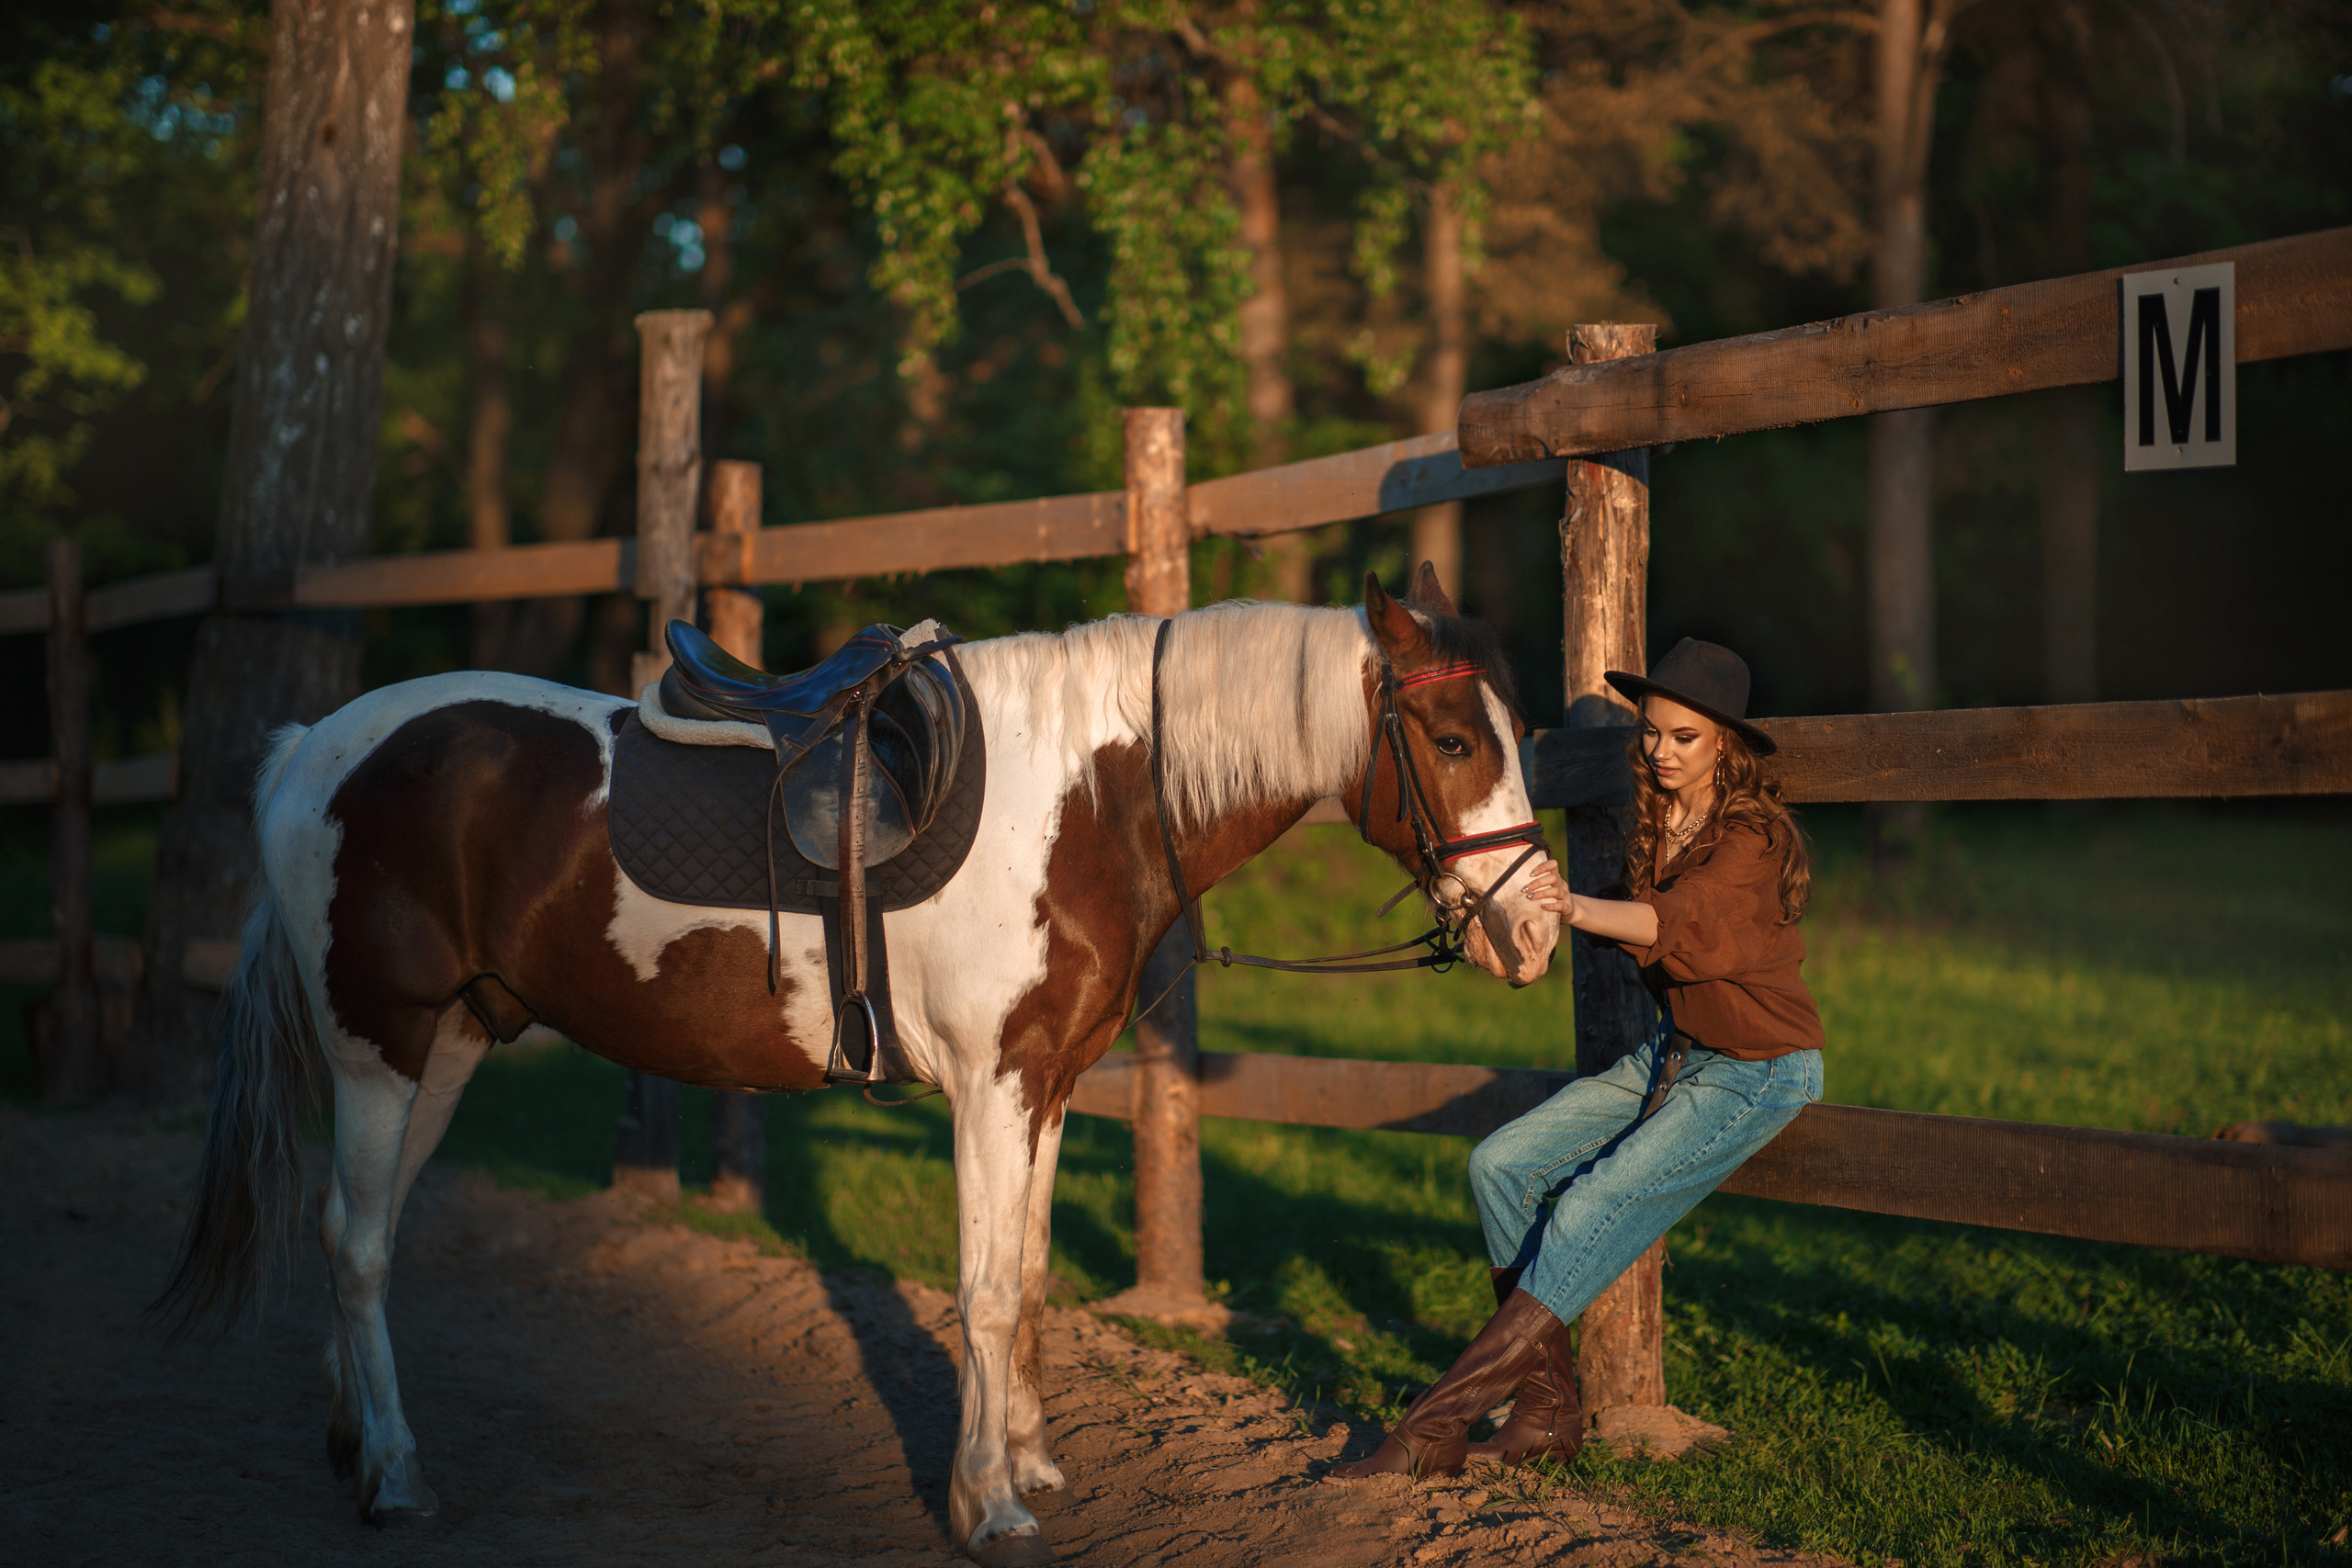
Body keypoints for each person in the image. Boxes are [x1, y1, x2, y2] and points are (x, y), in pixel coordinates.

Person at [1332, 637, 1825, 1481]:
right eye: (1652, 732)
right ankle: (1547, 1412)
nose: (1660, 751)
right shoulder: (1665, 816)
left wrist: (1580, 905)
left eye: (1685, 738)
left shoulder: (1751, 840)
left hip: (1755, 1068)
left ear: (1727, 746)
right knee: (1501, 1164)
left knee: (1588, 1205)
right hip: (1675, 1055)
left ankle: (1431, 1426)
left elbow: (1682, 923)